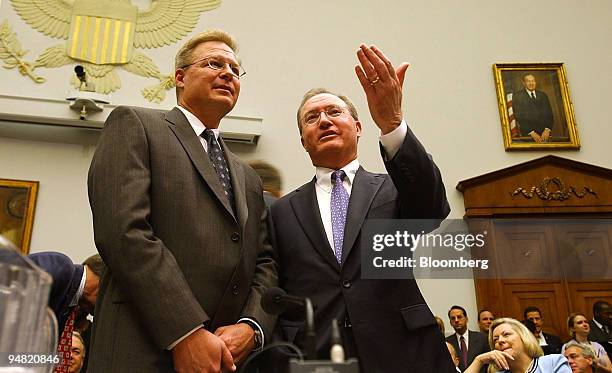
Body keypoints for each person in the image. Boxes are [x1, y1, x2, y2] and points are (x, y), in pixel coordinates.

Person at [87, 29, 277, 373]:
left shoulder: (247, 176)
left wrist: (252, 326)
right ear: (180, 77)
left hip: (223, 358)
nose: (228, 74)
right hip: (140, 349)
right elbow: (124, 232)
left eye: (235, 70)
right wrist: (186, 332)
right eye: (214, 63)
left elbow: (263, 262)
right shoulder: (137, 125)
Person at [268, 44, 454, 372]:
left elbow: (432, 209)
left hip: (404, 352)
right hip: (319, 356)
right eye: (312, 118)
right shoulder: (281, 211)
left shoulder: (394, 187)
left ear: (358, 127)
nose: (324, 120)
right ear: (303, 140)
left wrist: (393, 124)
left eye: (334, 112)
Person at [464, 318, 571, 373]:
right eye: (495, 339)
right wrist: (479, 360)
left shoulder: (553, 362)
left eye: (506, 334)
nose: (500, 341)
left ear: (523, 337)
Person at [512, 73, 554, 142]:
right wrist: (532, 133)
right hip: (528, 135)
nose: (531, 83)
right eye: (528, 81)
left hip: (545, 135)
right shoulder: (517, 97)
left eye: (533, 81)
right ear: (523, 83)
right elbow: (519, 116)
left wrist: (547, 129)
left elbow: (550, 115)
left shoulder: (543, 95)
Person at [446, 305, 490, 372]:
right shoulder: (447, 343)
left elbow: (489, 364)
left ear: (466, 319)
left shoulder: (482, 338)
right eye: (453, 318)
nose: (456, 320)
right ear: (450, 322)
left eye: (459, 317)